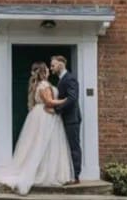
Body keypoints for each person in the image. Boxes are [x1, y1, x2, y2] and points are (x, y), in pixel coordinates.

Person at [0, 62, 74, 195]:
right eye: (47, 69)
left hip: (40, 115)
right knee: (44, 145)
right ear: (44, 72)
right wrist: (66, 100)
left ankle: (46, 171)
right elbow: (49, 102)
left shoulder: (39, 84)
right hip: (46, 117)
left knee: (39, 145)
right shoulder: (44, 85)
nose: (49, 70)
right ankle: (45, 173)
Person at [50, 54, 82, 184]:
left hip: (71, 119)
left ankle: (76, 176)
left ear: (61, 64)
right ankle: (67, 174)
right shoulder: (61, 79)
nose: (51, 68)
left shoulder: (70, 78)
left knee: (74, 146)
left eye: (53, 65)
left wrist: (57, 109)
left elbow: (72, 98)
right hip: (63, 119)